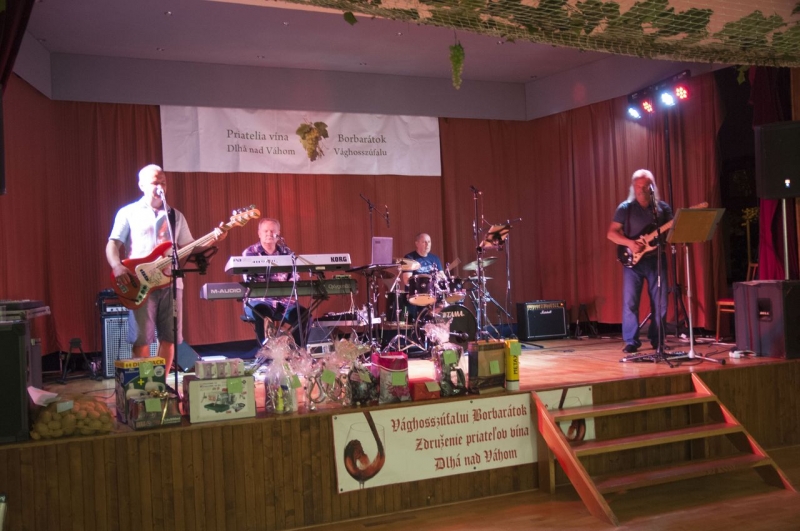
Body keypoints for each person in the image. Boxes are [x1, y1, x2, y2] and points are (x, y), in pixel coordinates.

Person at [106, 164, 224, 373]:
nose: (160, 187)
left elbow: (190, 247)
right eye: (155, 183)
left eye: (163, 183)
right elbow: (113, 243)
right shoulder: (128, 212)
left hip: (171, 282)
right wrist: (117, 266)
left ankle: (160, 383)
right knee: (141, 338)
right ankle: (143, 384)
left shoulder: (175, 216)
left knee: (170, 337)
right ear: (141, 185)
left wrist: (214, 238)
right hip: (140, 282)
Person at [606, 169, 673, 354]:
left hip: (657, 259)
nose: (641, 190)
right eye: (638, 186)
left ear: (652, 187)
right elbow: (611, 233)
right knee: (630, 302)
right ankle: (631, 341)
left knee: (660, 302)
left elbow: (672, 231)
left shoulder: (662, 209)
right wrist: (630, 243)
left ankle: (658, 340)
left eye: (645, 186)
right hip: (633, 263)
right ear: (633, 187)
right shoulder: (625, 208)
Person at [242, 217, 306, 346]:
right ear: (259, 233)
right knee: (262, 313)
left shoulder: (286, 252)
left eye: (272, 231)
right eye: (265, 231)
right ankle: (265, 353)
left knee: (304, 315)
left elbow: (295, 275)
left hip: (284, 302)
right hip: (260, 301)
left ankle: (297, 350)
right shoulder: (250, 252)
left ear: (278, 233)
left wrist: (289, 289)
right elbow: (248, 278)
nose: (269, 234)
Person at [401, 233, 445, 320]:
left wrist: (440, 277)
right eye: (424, 242)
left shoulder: (435, 258)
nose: (427, 244)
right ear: (417, 243)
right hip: (415, 295)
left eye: (429, 242)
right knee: (415, 321)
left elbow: (442, 276)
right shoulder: (409, 258)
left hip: (432, 295)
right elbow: (406, 280)